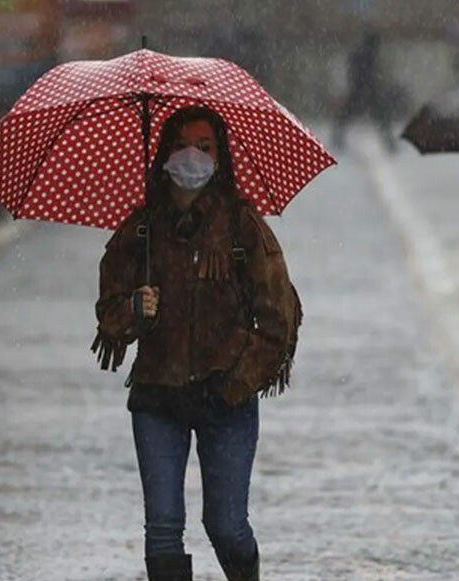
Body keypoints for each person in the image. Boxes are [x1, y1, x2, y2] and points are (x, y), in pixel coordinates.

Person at [93, 106, 302, 581]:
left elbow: (277, 320)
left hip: (224, 401)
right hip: (157, 396)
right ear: (165, 153)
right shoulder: (141, 229)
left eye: (205, 147)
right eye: (183, 145)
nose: (193, 156)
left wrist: (234, 383)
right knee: (163, 530)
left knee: (226, 526)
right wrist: (134, 312)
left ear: (220, 156)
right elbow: (109, 316)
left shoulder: (242, 227)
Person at [332, 32, 398, 153]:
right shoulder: (368, 55)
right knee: (381, 116)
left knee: (346, 116)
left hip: (360, 91)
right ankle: (389, 143)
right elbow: (371, 74)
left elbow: (353, 71)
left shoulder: (359, 54)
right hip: (367, 91)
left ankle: (337, 139)